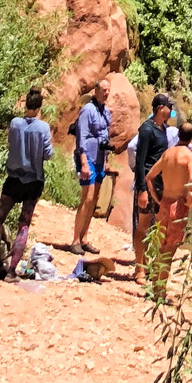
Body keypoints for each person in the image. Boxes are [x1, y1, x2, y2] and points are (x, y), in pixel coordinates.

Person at [0, 86, 53, 280]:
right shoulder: (43, 128)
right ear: (39, 107)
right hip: (33, 182)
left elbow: (11, 144)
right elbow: (48, 154)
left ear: (26, 105)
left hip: (13, 179)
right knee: (23, 226)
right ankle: (12, 271)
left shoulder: (15, 123)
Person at [144, 119, 192, 295]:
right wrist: (189, 201)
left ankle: (155, 286)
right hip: (178, 205)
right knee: (170, 248)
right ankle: (160, 291)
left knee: (161, 245)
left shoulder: (167, 153)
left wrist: (157, 199)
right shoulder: (190, 156)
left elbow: (149, 177)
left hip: (165, 203)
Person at [66, 77, 112, 255]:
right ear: (96, 91)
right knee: (87, 197)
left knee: (94, 199)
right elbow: (81, 137)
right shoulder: (88, 110)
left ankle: (84, 238)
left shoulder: (106, 112)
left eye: (108, 90)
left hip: (100, 159)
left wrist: (106, 158)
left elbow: (104, 137)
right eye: (104, 90)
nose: (106, 93)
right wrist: (84, 162)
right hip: (88, 159)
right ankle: (75, 240)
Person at [131, 93, 174, 282]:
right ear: (159, 108)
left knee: (156, 226)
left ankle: (147, 264)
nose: (171, 110)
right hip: (147, 184)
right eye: (168, 107)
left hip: (159, 184)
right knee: (142, 226)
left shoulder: (163, 128)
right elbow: (140, 161)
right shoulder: (147, 130)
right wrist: (141, 190)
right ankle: (138, 269)